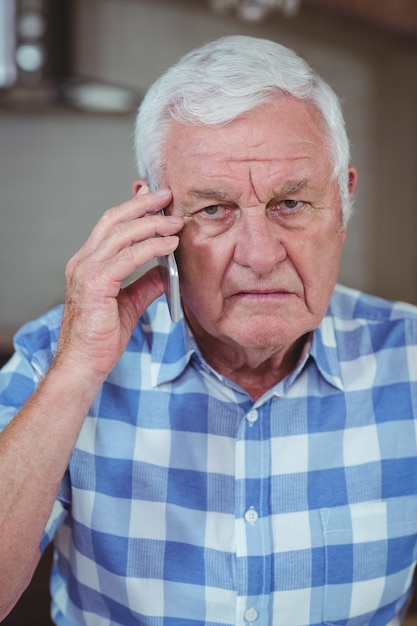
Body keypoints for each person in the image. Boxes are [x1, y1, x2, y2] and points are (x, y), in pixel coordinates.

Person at [0, 34, 416, 626]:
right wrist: (76, 374)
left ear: (343, 200)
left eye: (290, 203)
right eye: (214, 209)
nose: (259, 254)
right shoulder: (56, 359)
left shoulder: (411, 358)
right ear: (155, 219)